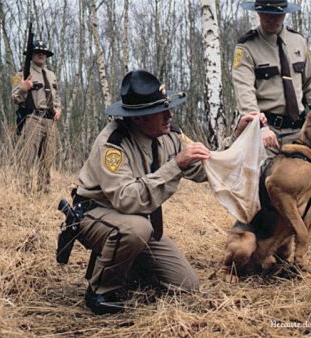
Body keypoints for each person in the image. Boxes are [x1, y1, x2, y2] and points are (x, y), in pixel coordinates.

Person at [72, 70, 215, 315]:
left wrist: (241, 137)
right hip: (96, 216)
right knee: (135, 229)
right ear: (138, 118)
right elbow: (126, 200)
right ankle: (100, 291)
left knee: (187, 286)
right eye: (162, 111)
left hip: (138, 222)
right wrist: (175, 165)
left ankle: (128, 269)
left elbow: (204, 171)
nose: (169, 115)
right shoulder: (113, 144)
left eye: (168, 107)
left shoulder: (171, 134)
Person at [233, 0, 311, 156]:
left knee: (306, 177)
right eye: (267, 14)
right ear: (258, 12)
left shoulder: (299, 41)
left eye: (277, 14)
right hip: (267, 131)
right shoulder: (247, 47)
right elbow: (244, 91)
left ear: (285, 13)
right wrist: (259, 128)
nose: (272, 19)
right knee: (262, 178)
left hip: (299, 131)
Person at [11, 40, 62, 194]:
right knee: (27, 159)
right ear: (31, 54)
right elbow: (14, 98)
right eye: (38, 52)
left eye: (44, 52)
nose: (41, 54)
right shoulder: (21, 73)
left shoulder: (51, 75)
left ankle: (44, 193)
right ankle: (23, 193)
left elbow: (56, 96)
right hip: (33, 119)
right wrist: (23, 88)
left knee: (47, 161)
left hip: (50, 121)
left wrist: (58, 109)